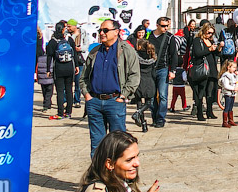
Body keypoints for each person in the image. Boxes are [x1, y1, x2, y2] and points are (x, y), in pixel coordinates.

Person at [80, 20, 139, 155]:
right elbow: (83, 77)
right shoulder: (95, 52)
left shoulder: (126, 50)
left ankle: (117, 175)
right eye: (100, 30)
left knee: (118, 143)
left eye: (105, 30)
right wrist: (87, 95)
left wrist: (123, 96)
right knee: (97, 144)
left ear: (116, 32)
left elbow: (134, 75)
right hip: (94, 102)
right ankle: (98, 175)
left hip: (114, 101)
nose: (101, 33)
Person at [76, 131, 160, 192]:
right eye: (129, 160)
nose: (137, 163)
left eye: (137, 156)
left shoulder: (123, 183)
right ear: (110, 164)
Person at [146, 17, 177, 129]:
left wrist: (173, 70)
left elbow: (174, 55)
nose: (165, 28)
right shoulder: (148, 36)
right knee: (152, 96)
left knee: (163, 95)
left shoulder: (169, 37)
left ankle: (160, 118)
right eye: (163, 26)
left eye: (167, 26)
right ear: (157, 25)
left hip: (163, 68)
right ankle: (154, 117)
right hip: (150, 68)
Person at [188, 22, 220, 122]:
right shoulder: (198, 40)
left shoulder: (210, 40)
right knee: (200, 92)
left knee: (210, 92)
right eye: (208, 33)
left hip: (211, 69)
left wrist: (218, 49)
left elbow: (215, 54)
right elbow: (197, 53)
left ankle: (209, 112)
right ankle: (200, 113)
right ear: (204, 31)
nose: (210, 35)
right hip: (201, 68)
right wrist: (209, 49)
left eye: (212, 33)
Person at [47, 21, 77, 120]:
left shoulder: (53, 41)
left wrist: (48, 69)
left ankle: (60, 113)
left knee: (60, 91)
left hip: (59, 68)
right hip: (69, 67)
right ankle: (68, 112)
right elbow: (75, 53)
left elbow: (49, 56)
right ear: (63, 29)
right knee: (69, 90)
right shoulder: (69, 39)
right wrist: (76, 65)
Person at [130, 39, 156, 133]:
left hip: (139, 80)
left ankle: (143, 123)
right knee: (148, 102)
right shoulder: (151, 56)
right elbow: (154, 71)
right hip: (149, 80)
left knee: (139, 103)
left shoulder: (136, 55)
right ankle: (138, 113)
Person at [219, 58, 238, 128]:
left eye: (235, 67)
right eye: (233, 67)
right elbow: (226, 86)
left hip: (232, 93)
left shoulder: (233, 74)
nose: (235, 69)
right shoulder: (226, 75)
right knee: (227, 107)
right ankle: (224, 122)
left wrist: (237, 75)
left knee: (231, 107)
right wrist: (233, 88)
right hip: (227, 94)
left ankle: (230, 120)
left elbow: (236, 81)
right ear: (228, 67)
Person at [36, 28, 54, 111]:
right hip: (49, 77)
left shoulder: (40, 58)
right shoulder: (40, 35)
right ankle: (47, 103)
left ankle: (46, 103)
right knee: (49, 91)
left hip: (42, 77)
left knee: (44, 90)